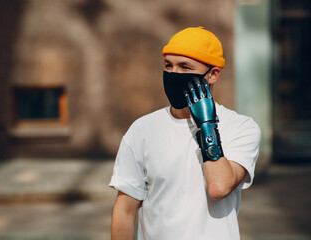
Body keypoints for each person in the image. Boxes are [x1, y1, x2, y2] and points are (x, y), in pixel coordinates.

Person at [109, 26, 261, 240]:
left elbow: (219, 187)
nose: (173, 74)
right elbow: (125, 210)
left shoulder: (241, 127)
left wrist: (207, 125)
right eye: (168, 65)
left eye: (185, 67)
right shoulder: (142, 129)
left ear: (213, 74)